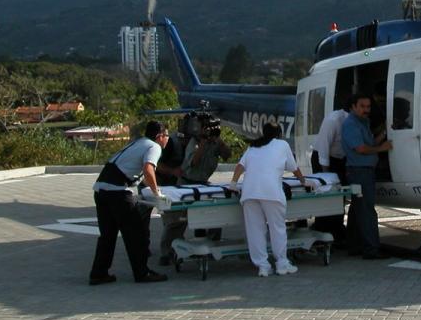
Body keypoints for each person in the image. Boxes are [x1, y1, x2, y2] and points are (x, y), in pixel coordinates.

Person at [89, 121, 170, 285]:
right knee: (136, 233)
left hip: (101, 190)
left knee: (108, 235)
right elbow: (148, 170)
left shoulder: (138, 142)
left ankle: (99, 274)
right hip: (118, 192)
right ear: (159, 136)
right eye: (167, 135)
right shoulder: (154, 147)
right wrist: (157, 193)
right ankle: (142, 273)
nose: (168, 139)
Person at [230, 123, 310, 277]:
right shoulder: (282, 144)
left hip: (250, 192)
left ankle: (263, 266)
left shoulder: (253, 146)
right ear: (279, 134)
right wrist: (303, 181)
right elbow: (294, 168)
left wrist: (233, 184)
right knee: (277, 228)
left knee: (255, 230)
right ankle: (281, 263)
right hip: (271, 192)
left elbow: (240, 165)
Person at [158, 125, 231, 266]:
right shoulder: (194, 143)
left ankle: (211, 246)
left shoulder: (215, 143)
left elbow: (227, 155)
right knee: (178, 220)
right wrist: (203, 144)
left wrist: (220, 142)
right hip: (186, 182)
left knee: (214, 215)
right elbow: (194, 162)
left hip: (203, 184)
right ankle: (167, 252)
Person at [341, 93, 393, 259]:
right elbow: (361, 148)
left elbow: (370, 143)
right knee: (367, 210)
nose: (366, 110)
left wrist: (385, 131)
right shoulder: (350, 124)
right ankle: (371, 249)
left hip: (364, 170)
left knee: (357, 210)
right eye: (362, 106)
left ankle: (355, 246)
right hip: (359, 171)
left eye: (368, 107)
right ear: (353, 107)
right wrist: (382, 148)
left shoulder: (363, 122)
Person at [309, 104, 349, 243]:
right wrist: (325, 175)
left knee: (339, 195)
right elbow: (324, 149)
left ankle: (337, 228)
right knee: (326, 192)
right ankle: (322, 228)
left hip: (339, 159)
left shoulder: (356, 121)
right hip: (323, 157)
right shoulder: (334, 120)